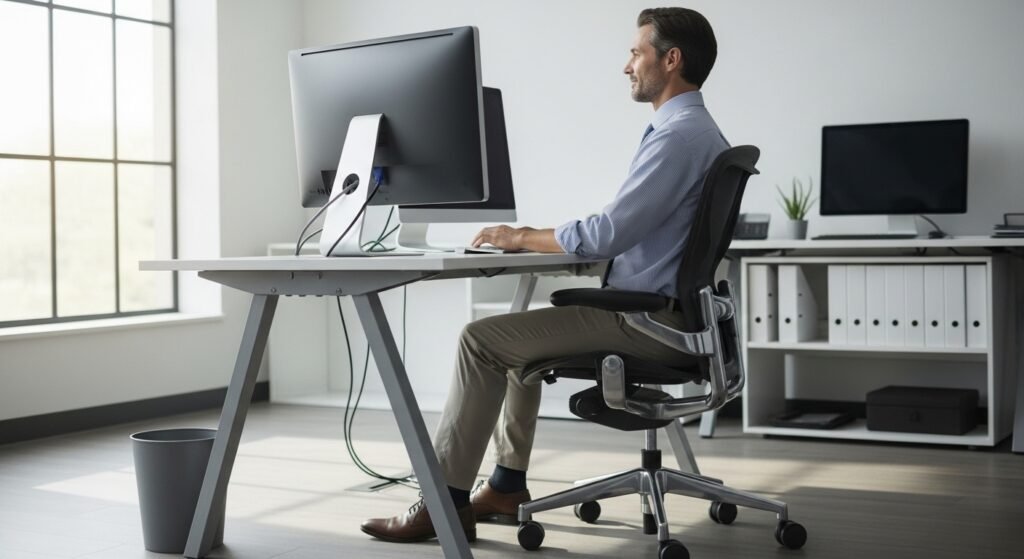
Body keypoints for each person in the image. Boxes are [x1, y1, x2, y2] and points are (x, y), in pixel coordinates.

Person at [360, 6, 729, 543]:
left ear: (671, 60)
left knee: (480, 341)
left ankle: (443, 504)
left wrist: (521, 237)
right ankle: (506, 487)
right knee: (517, 340)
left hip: (647, 321)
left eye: (636, 52)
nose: (627, 65)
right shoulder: (695, 132)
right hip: (666, 313)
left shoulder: (678, 138)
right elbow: (638, 235)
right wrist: (559, 246)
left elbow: (607, 233)